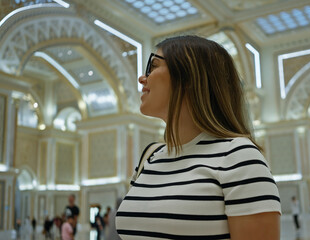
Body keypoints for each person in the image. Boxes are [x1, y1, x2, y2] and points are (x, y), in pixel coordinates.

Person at [115, 35, 281, 239]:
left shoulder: (238, 156)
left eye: (154, 66)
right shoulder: (150, 156)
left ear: (189, 77)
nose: (143, 78)